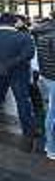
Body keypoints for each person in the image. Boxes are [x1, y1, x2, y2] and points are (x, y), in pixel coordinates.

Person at [0, 12, 36, 147]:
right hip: (18, 73)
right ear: (14, 23)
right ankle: (28, 129)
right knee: (22, 100)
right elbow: (29, 54)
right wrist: (11, 63)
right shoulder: (24, 37)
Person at [33, 12, 55, 160]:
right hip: (53, 78)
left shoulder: (42, 32)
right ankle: (51, 147)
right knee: (52, 115)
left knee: (51, 112)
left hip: (46, 76)